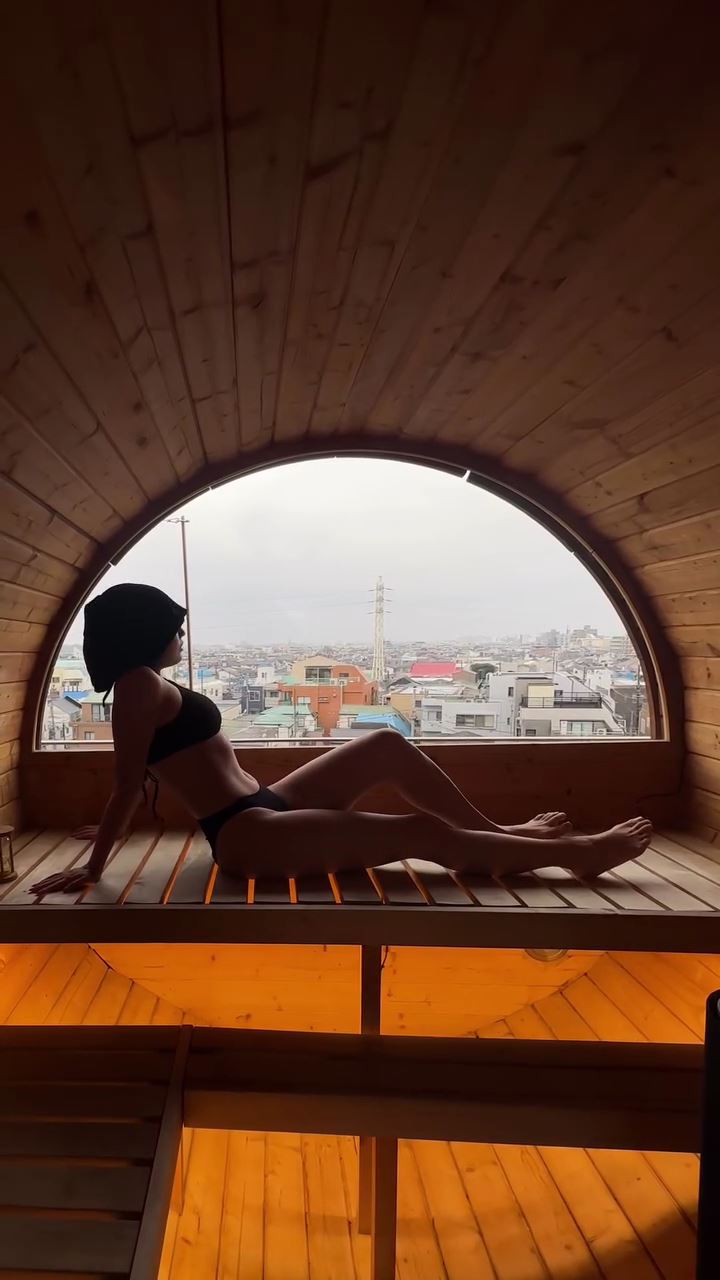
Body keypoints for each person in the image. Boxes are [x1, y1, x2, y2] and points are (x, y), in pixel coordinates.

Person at [31, 584, 652, 896]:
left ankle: (503, 834)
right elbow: (126, 784)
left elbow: (152, 772)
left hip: (264, 805)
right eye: (174, 627)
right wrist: (94, 866)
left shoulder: (146, 682)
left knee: (386, 745)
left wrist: (104, 833)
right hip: (246, 836)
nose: (182, 636)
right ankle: (576, 855)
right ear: (144, 633)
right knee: (420, 831)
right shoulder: (138, 685)